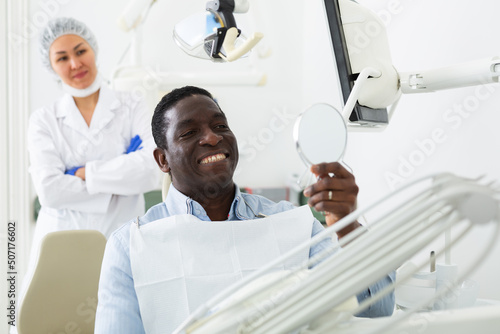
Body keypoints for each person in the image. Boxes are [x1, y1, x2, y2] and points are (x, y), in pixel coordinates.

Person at [94, 86, 395, 333]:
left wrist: (346, 225)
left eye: (220, 126)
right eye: (188, 133)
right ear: (162, 160)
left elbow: (374, 307)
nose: (212, 137)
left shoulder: (289, 225)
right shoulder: (131, 246)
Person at [16, 16, 160, 321]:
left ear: (93, 49)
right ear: (51, 65)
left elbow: (151, 168)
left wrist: (85, 173)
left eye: (80, 51)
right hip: (62, 241)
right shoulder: (44, 119)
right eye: (62, 57)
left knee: (120, 321)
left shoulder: (131, 103)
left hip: (121, 239)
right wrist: (120, 173)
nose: (74, 64)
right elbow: (51, 192)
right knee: (52, 320)